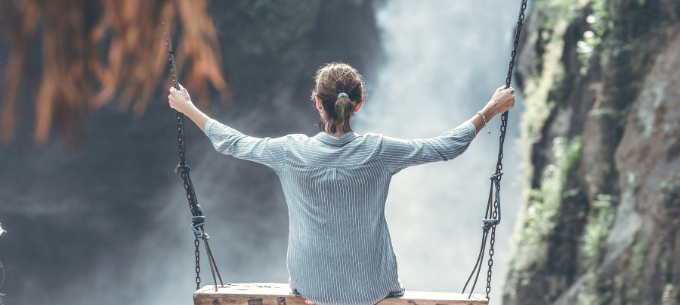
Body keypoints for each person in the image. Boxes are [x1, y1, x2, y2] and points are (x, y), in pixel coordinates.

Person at [168, 62, 515, 305]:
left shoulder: (290, 151)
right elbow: (444, 148)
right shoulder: (380, 151)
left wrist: (189, 108)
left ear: (318, 103)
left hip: (311, 288)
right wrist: (489, 109)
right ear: (358, 106)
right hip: (372, 291)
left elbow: (233, 142)